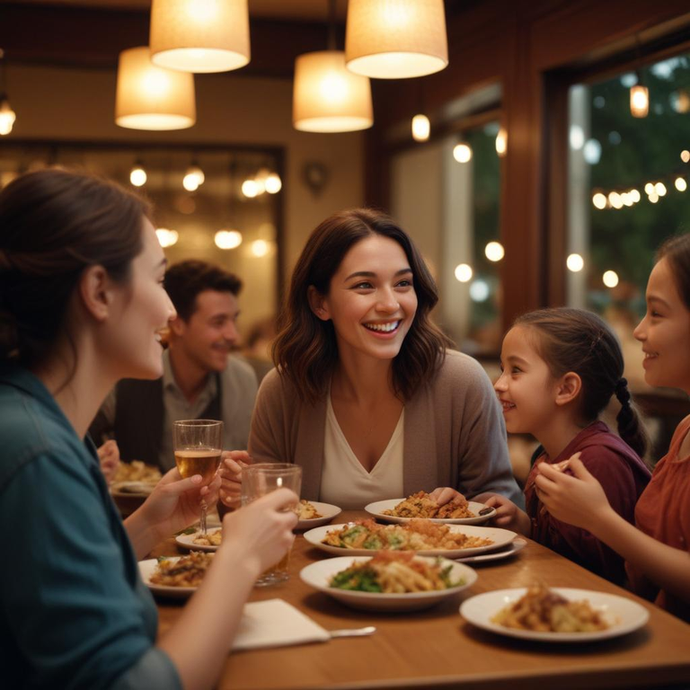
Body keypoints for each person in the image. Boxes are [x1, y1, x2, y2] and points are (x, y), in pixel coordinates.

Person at [0, 169, 297, 689]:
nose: (168, 310)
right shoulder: (38, 453)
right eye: (159, 280)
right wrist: (238, 559)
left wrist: (143, 528)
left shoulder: (31, 421)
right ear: (98, 290)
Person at [220, 208, 522, 510]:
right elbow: (258, 515)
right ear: (319, 302)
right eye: (364, 285)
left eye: (403, 283)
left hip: (435, 558)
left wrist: (475, 507)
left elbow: (501, 504)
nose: (390, 304)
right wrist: (237, 494)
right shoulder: (284, 389)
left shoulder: (462, 382)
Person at [535, 235, 690, 622]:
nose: (638, 330)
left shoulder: (600, 457)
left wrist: (599, 519)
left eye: (656, 313)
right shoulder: (684, 430)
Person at [485, 308, 651, 584]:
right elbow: (566, 553)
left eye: (516, 370)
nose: (498, 385)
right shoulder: (546, 456)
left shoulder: (598, 463)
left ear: (565, 389)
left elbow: (607, 574)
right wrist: (526, 525)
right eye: (503, 370)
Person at [90, 259, 258, 472]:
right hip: (134, 505)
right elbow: (80, 444)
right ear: (177, 323)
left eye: (234, 320)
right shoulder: (127, 374)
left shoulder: (241, 379)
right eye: (218, 322)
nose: (234, 335)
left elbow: (243, 466)